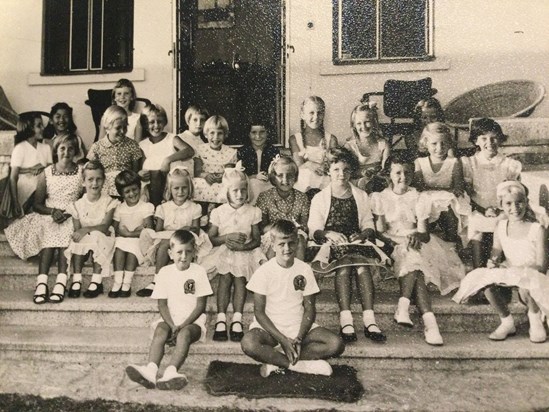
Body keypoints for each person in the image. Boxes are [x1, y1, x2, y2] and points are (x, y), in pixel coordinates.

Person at [371, 153, 466, 345]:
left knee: (415, 264)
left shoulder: (420, 197)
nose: (403, 177)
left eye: (407, 172)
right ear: (389, 175)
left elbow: (424, 234)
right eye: (398, 173)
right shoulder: (380, 198)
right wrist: (402, 240)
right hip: (393, 242)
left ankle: (404, 306)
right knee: (414, 262)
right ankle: (430, 324)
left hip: (418, 242)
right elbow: (380, 233)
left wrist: (413, 237)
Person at [241, 220, 344, 377]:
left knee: (336, 344)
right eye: (282, 244)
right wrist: (282, 340)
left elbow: (310, 308)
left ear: (297, 243)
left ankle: (275, 361)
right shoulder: (264, 271)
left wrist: (299, 338)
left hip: (297, 326)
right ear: (273, 245)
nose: (287, 248)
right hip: (270, 329)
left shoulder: (304, 269)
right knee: (248, 343)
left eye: (291, 243)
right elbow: (259, 312)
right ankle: (297, 365)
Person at [453, 181, 549, 343]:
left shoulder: (536, 228)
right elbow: (496, 251)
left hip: (534, 272)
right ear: (501, 205)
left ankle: (535, 319)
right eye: (509, 204)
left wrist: (520, 271)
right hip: (511, 269)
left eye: (519, 203)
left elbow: (541, 265)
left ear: (526, 202)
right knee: (485, 282)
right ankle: (507, 321)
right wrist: (493, 261)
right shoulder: (501, 226)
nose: (515, 208)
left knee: (528, 284)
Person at [308, 147, 386, 343]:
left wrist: (363, 234)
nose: (341, 174)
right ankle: (346, 320)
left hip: (356, 242)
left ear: (352, 171)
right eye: (336, 170)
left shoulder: (360, 195)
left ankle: (370, 320)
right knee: (343, 270)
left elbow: (368, 222)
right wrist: (328, 233)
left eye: (346, 170)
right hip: (332, 245)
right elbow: (314, 229)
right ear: (328, 170)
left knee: (362, 268)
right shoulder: (320, 198)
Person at [126, 230, 213, 390]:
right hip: (170, 319)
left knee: (185, 335)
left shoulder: (198, 272)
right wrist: (172, 326)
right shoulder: (164, 273)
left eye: (188, 252)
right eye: (179, 252)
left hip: (192, 320)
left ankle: (171, 372)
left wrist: (182, 326)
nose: (184, 256)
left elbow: (200, 306)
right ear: (170, 253)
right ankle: (150, 371)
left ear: (194, 252)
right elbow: (162, 305)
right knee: (160, 331)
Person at [5, 135, 83, 303]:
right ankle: (42, 282)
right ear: (56, 151)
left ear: (76, 151)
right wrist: (53, 211)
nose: (66, 152)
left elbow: (84, 201)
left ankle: (61, 281)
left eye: (70, 149)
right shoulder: (46, 173)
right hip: (49, 213)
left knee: (66, 236)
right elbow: (37, 204)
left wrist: (70, 212)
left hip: (72, 213)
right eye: (62, 148)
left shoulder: (81, 172)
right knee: (49, 234)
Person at [201, 163, 266, 342]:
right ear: (227, 192)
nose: (239, 194)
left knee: (240, 279)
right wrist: (226, 238)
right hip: (224, 249)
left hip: (246, 251)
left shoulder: (253, 211)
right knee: (225, 277)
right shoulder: (218, 212)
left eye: (243, 190)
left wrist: (244, 247)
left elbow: (256, 239)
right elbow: (212, 238)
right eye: (235, 191)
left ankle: (237, 318)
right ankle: (221, 318)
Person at [136, 167, 211, 297]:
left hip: (188, 238)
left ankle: (189, 281)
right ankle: (157, 280)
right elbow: (159, 231)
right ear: (169, 189)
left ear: (189, 188)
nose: (180, 192)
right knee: (165, 243)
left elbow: (195, 229)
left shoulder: (194, 208)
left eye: (184, 188)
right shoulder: (163, 208)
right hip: (167, 239)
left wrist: (182, 231)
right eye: (176, 188)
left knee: (184, 245)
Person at [462, 118, 522, 268]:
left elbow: (512, 193)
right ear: (476, 141)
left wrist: (499, 208)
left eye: (494, 137)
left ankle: (498, 265)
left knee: (502, 223)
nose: (489, 142)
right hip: (477, 208)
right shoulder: (469, 163)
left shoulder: (509, 165)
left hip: (501, 209)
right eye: (484, 138)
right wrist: (482, 209)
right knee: (476, 225)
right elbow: (467, 193)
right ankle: (477, 270)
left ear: (500, 139)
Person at [64, 160, 119, 299]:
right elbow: (78, 230)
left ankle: (96, 279)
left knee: (96, 236)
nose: (94, 183)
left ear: (104, 181)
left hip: (103, 236)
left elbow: (105, 226)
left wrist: (85, 230)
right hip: (86, 238)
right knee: (77, 240)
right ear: (83, 182)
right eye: (90, 179)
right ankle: (77, 278)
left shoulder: (109, 202)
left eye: (98, 179)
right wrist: (82, 232)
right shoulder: (77, 205)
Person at [413, 122, 470, 244]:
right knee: (424, 205)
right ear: (425, 144)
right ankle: (425, 238)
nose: (439, 148)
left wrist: (440, 192)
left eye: (443, 143)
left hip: (447, 200)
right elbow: (420, 187)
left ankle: (452, 241)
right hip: (427, 199)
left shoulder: (454, 162)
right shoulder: (420, 162)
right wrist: (441, 191)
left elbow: (458, 187)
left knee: (449, 206)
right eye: (434, 144)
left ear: (449, 144)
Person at [139, 103, 195, 206]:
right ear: (145, 125)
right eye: (151, 122)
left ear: (164, 122)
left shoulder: (171, 139)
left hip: (170, 184)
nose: (156, 126)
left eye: (159, 121)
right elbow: (142, 167)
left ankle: (160, 207)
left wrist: (168, 160)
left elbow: (189, 151)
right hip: (151, 186)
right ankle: (156, 209)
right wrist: (141, 173)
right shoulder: (143, 145)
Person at [110, 170, 155, 298]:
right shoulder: (119, 208)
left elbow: (148, 229)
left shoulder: (146, 207)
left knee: (132, 249)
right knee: (119, 247)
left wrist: (128, 233)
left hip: (139, 241)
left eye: (134, 189)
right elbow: (115, 228)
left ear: (139, 187)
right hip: (122, 239)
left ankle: (127, 283)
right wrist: (130, 232)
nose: (132, 194)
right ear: (121, 194)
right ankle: (118, 281)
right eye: (127, 191)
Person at [256, 155, 309, 260]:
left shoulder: (302, 197)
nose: (285, 180)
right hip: (272, 233)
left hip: (295, 233)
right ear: (273, 178)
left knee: (300, 238)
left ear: (295, 177)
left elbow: (304, 226)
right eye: (280, 175)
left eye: (290, 175)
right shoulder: (264, 197)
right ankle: (272, 274)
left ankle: (297, 273)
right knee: (275, 239)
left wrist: (297, 227)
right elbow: (262, 228)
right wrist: (280, 229)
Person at [87, 105, 143, 197]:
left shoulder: (132, 145)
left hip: (126, 190)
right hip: (105, 191)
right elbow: (92, 172)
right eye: (118, 128)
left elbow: (135, 172)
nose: (122, 131)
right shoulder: (97, 147)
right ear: (107, 127)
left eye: (125, 127)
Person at [289, 96, 338, 193]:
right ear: (302, 115)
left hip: (324, 180)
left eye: (319, 113)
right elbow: (299, 165)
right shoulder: (295, 139)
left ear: (323, 115)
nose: (316, 117)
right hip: (303, 185)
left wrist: (325, 167)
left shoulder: (331, 139)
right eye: (311, 113)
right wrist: (310, 164)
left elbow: (333, 163)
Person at [9, 112, 52, 217]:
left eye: (42, 125)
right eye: (39, 126)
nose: (43, 128)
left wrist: (42, 167)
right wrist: (15, 203)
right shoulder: (20, 148)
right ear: (29, 128)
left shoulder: (46, 148)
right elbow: (13, 178)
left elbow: (51, 170)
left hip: (43, 188)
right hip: (24, 190)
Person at [344, 103, 390, 193]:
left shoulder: (383, 144)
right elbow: (348, 171)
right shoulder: (350, 147)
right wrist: (362, 173)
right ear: (354, 126)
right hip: (358, 183)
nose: (363, 127)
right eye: (359, 123)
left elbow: (387, 168)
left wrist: (379, 172)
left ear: (374, 122)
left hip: (378, 181)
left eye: (367, 122)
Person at [192, 115, 237, 204]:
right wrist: (205, 175)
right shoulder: (200, 149)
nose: (216, 137)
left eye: (220, 133)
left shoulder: (229, 152)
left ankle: (217, 206)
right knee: (196, 182)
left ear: (225, 135)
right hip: (205, 180)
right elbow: (197, 171)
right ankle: (203, 208)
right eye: (212, 133)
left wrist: (222, 176)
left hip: (222, 181)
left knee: (230, 184)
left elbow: (230, 171)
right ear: (206, 134)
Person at [237, 119, 280, 203]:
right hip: (251, 184)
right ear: (248, 134)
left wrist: (270, 175)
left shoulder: (273, 151)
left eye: (262, 132)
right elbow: (239, 175)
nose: (258, 136)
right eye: (253, 132)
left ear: (267, 133)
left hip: (268, 184)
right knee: (254, 184)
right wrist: (255, 176)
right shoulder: (243, 151)